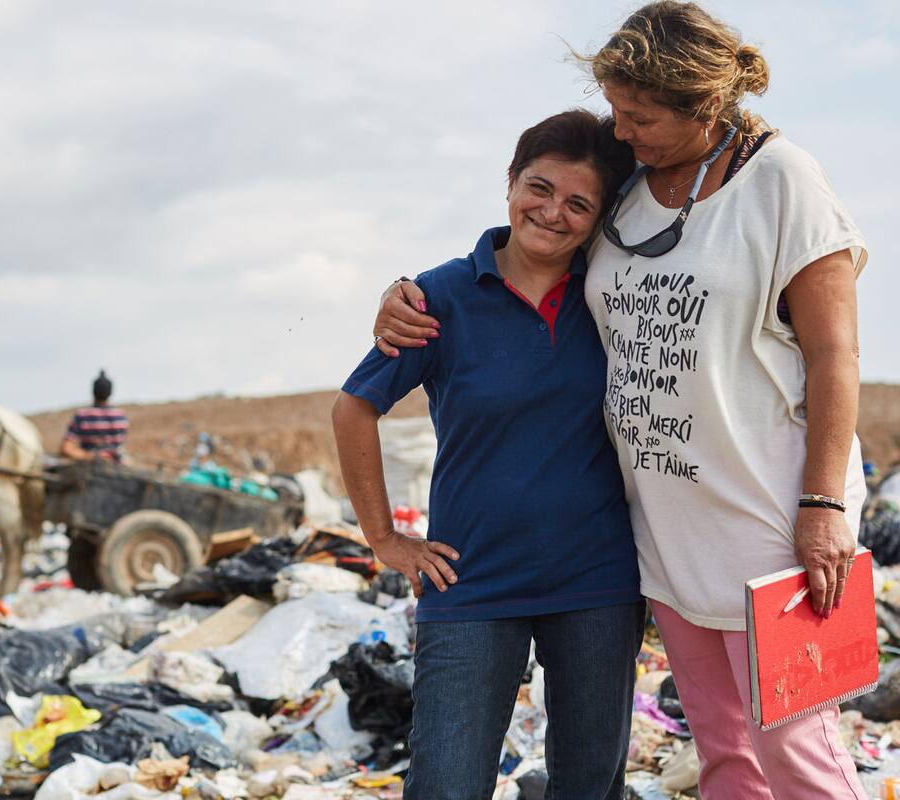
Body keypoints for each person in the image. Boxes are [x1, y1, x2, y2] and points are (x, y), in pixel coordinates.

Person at [373, 3, 868, 796]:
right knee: (725, 753)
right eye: (614, 109)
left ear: (703, 106)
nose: (621, 130)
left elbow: (834, 353)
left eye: (637, 116)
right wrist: (414, 297)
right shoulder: (630, 191)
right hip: (667, 538)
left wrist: (823, 505)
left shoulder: (784, 182)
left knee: (798, 754)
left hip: (775, 525)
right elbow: (538, 233)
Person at [333, 110, 643, 799]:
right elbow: (354, 406)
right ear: (509, 183)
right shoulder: (440, 296)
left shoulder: (615, 292)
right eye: (539, 187)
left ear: (598, 219)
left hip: (598, 582)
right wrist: (384, 538)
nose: (553, 213)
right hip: (470, 583)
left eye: (578, 203)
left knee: (590, 788)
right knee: (447, 786)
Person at [60, 370, 129, 463]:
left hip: (88, 468)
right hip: (116, 468)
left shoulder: (82, 416)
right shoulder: (121, 417)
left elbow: (65, 449)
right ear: (110, 392)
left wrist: (88, 456)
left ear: (93, 391)